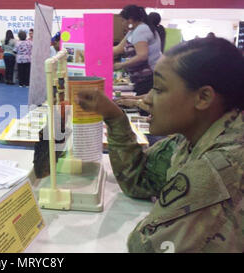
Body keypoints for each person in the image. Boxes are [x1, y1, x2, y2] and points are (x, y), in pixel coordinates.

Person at [77, 37, 244, 252]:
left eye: (159, 88)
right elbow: (139, 179)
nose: (146, 99)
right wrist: (114, 116)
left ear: (203, 97)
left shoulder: (222, 165)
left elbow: (146, 246)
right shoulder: (193, 137)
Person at [113, 5, 162, 96]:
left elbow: (142, 56)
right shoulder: (133, 31)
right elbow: (118, 49)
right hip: (142, 79)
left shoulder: (141, 30)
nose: (122, 24)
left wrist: (121, 65)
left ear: (130, 20)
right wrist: (97, 51)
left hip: (148, 78)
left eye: (123, 20)